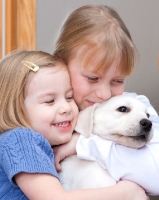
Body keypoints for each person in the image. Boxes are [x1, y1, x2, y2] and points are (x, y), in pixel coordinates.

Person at [0, 50, 147, 200]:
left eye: (69, 97)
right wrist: (127, 192)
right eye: (50, 100)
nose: (66, 108)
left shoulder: (40, 143)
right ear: (16, 107)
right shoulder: (21, 139)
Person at [53, 4, 159, 198]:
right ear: (61, 64)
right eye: (92, 78)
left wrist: (83, 145)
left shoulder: (138, 105)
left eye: (117, 81)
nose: (105, 94)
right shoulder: (47, 114)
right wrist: (127, 191)